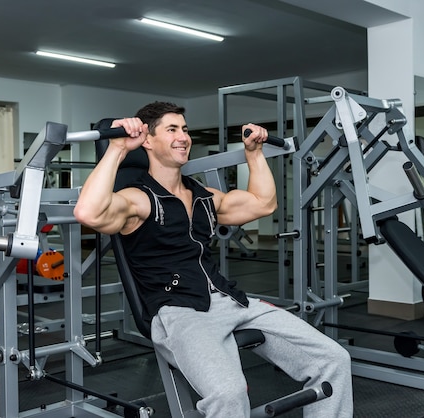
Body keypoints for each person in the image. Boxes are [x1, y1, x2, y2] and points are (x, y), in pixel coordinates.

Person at [74, 101, 353, 417]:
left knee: (333, 359)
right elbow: (88, 212)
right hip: (180, 312)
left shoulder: (204, 196)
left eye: (185, 129)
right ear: (148, 141)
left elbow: (262, 204)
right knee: (228, 394)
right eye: (172, 129)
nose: (183, 137)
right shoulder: (138, 199)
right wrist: (117, 150)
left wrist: (254, 154)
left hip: (231, 301)